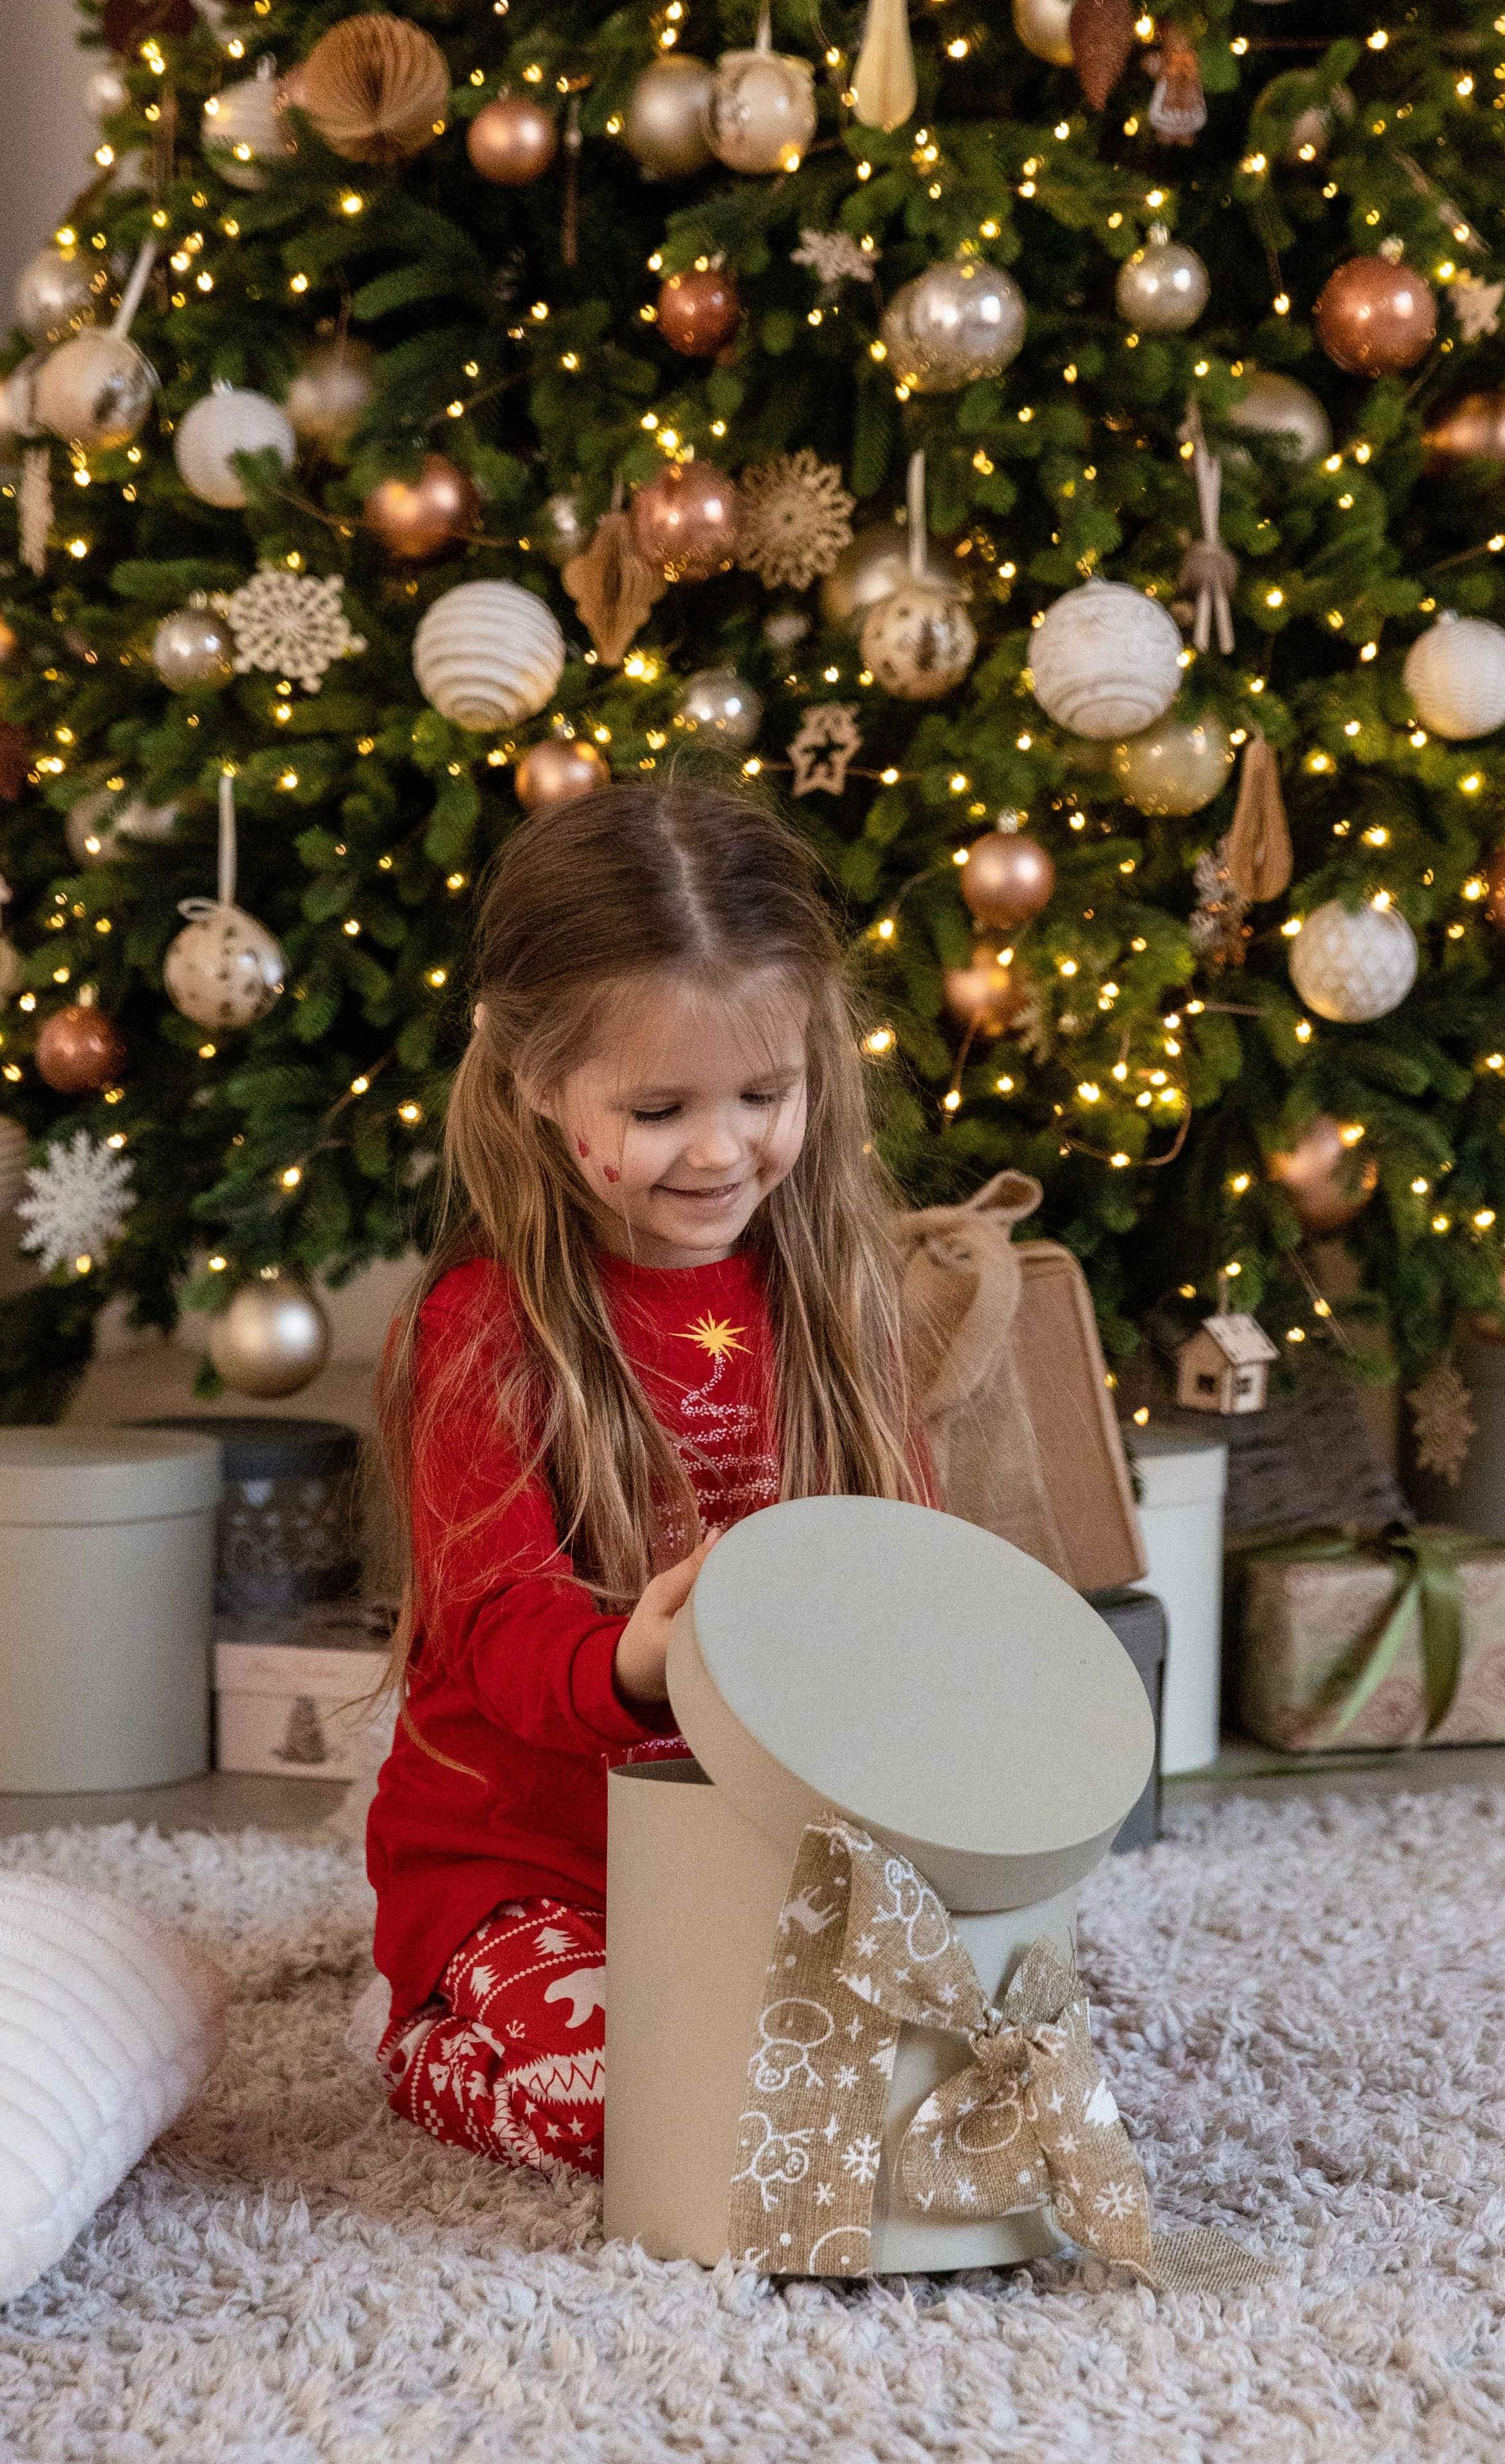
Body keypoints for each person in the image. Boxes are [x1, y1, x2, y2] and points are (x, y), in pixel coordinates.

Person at [367, 781, 930, 2181]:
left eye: (764, 1093)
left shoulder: (839, 1297)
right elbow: (494, 1631)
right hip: (532, 1856)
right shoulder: (483, 1330)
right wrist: (634, 1656)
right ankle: (422, 2022)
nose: (724, 1148)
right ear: (535, 1082)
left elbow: (911, 1576)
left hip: (758, 1845)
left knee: (931, 2068)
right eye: (661, 1106)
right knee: (627, 2110)